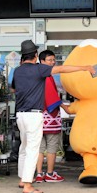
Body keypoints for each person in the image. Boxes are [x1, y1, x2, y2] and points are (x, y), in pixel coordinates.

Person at [12, 40, 95, 193]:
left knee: (24, 147)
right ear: (36, 56)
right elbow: (62, 69)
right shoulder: (39, 69)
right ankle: (28, 185)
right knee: (32, 149)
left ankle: (22, 179)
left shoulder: (17, 71)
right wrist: (85, 68)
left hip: (20, 115)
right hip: (33, 115)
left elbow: (13, 88)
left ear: (23, 56)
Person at [35, 50, 69, 183]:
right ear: (42, 61)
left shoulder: (35, 75)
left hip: (38, 115)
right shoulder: (47, 77)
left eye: (54, 60)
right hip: (50, 116)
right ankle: (49, 173)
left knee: (39, 147)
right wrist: (64, 106)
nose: (52, 62)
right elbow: (52, 97)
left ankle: (38, 174)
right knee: (52, 146)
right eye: (49, 60)